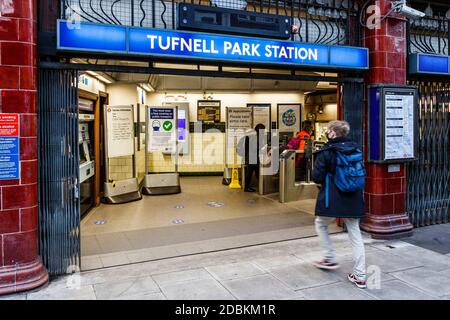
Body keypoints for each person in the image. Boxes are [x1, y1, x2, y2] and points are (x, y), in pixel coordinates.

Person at [311, 120, 367, 289]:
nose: (327, 133)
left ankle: (329, 258)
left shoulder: (327, 152)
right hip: (354, 197)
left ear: (334, 133)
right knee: (355, 234)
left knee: (321, 224)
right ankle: (360, 275)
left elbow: (317, 177)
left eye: (329, 130)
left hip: (333, 197)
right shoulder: (356, 149)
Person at [243, 124, 266, 192]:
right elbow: (257, 147)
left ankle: (261, 186)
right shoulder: (256, 136)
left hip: (250, 156)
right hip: (253, 157)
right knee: (251, 172)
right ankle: (247, 187)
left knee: (255, 172)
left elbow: (246, 147)